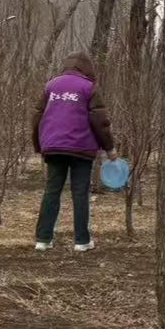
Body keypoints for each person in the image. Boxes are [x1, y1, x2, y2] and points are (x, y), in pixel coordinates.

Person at [31, 52, 114, 253]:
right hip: (81, 147)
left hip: (53, 146)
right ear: (87, 67)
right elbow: (99, 121)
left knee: (52, 191)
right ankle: (82, 241)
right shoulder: (89, 87)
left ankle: (43, 239)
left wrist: (39, 145)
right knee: (80, 193)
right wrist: (109, 147)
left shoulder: (51, 85)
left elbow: (37, 117)